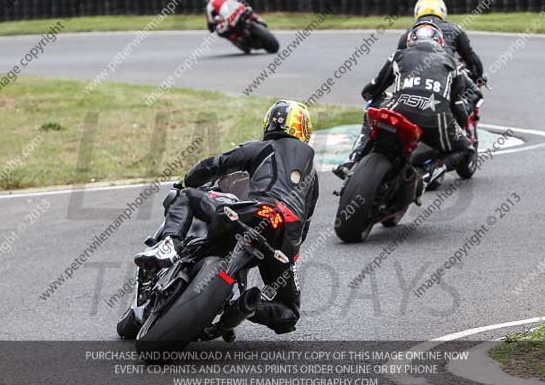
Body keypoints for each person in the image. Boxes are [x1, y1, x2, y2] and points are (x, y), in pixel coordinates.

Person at [135, 100, 319, 335]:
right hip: (285, 238)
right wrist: (289, 255)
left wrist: (185, 182)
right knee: (290, 313)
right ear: (303, 129)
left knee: (189, 197)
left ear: (270, 123)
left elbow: (217, 164)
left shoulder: (263, 148)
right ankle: (248, 306)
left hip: (257, 212)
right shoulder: (312, 175)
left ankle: (170, 244)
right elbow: (307, 222)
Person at [334, 22, 474, 179]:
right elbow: (457, 104)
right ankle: (428, 172)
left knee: (373, 103)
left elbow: (372, 90)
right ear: (440, 42)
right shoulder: (452, 63)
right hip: (436, 120)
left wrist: (367, 94)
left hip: (399, 111)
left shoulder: (398, 55)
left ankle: (352, 159)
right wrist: (461, 127)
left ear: (410, 41)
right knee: (466, 149)